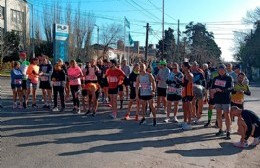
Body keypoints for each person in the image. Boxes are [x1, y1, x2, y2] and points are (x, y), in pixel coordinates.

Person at [211, 64, 233, 139]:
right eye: (220, 70)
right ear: (218, 71)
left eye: (223, 70)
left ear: (225, 70)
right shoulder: (215, 78)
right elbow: (212, 87)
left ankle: (228, 131)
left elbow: (231, 88)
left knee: (227, 115)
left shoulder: (229, 78)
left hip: (226, 99)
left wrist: (222, 90)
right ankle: (220, 129)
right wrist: (213, 90)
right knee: (218, 114)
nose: (221, 71)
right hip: (217, 99)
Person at [181, 62, 194, 130]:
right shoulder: (184, 75)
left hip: (189, 94)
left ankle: (189, 123)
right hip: (184, 93)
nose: (182, 67)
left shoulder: (189, 75)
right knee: (184, 109)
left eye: (183, 66)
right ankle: (185, 121)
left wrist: (177, 81)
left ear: (186, 67)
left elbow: (185, 84)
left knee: (188, 109)